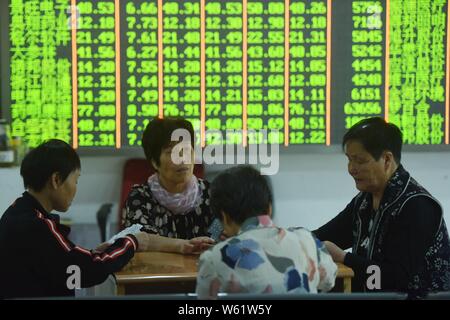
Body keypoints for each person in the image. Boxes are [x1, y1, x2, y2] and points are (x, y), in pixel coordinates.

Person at [314, 117, 450, 298]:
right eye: (349, 160)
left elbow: (395, 279)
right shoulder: (364, 201)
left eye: (360, 161)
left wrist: (344, 258)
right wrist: (284, 239)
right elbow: (324, 236)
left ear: (386, 160)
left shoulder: (416, 206)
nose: (351, 169)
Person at [0, 139, 151, 299]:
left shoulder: (18, 210)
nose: (76, 188)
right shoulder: (37, 225)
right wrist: (132, 242)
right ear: (56, 180)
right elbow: (88, 271)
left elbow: (61, 262)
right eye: (76, 180)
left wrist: (92, 254)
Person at [196, 165, 337, 299]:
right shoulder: (306, 239)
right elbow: (328, 281)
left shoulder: (214, 258)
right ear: (269, 208)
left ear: (224, 217)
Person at [122, 117, 214, 254]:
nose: (182, 159)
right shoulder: (140, 197)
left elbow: (222, 232)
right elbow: (139, 239)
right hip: (158, 272)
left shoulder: (211, 193)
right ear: (154, 162)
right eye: (171, 152)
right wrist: (183, 246)